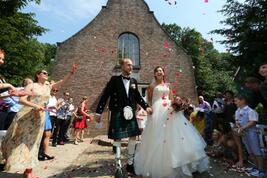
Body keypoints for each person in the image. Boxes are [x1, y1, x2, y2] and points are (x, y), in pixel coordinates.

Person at [1, 64, 77, 178]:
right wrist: (35, 105)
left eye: (47, 73)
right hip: (26, 116)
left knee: (34, 143)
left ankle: (28, 171)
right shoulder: (32, 85)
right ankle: (6, 157)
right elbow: (21, 100)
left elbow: (61, 82)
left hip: (39, 118)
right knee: (17, 139)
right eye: (44, 73)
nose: (46, 74)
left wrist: (71, 73)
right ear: (38, 75)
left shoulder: (48, 87)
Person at [134, 66, 209, 178]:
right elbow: (149, 101)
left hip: (170, 110)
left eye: (161, 71)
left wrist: (176, 105)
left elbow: (171, 98)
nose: (159, 72)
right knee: (159, 136)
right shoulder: (151, 86)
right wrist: (149, 110)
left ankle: (182, 162)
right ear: (154, 74)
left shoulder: (168, 85)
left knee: (176, 134)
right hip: (157, 112)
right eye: (157, 71)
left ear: (164, 73)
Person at [95, 58, 152, 177]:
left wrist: (146, 106)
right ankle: (118, 165)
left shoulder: (133, 81)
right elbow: (105, 95)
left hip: (130, 112)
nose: (131, 67)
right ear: (122, 66)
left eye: (132, 65)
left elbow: (138, 97)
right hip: (117, 111)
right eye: (128, 65)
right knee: (117, 138)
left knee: (133, 136)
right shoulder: (114, 80)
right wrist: (99, 112)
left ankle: (130, 164)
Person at [234, 94, 265, 177]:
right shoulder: (237, 111)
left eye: (236, 100)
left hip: (252, 133)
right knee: (250, 151)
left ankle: (261, 170)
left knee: (256, 151)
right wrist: (238, 128)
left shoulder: (250, 111)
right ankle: (256, 167)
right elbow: (237, 121)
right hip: (244, 134)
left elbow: (253, 122)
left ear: (243, 100)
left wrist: (242, 128)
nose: (235, 102)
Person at [38, 88, 58, 161]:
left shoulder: (53, 98)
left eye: (56, 90)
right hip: (43, 114)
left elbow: (46, 107)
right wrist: (50, 108)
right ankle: (40, 153)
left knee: (48, 134)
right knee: (42, 135)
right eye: (54, 90)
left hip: (48, 114)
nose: (55, 91)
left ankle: (44, 153)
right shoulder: (44, 95)